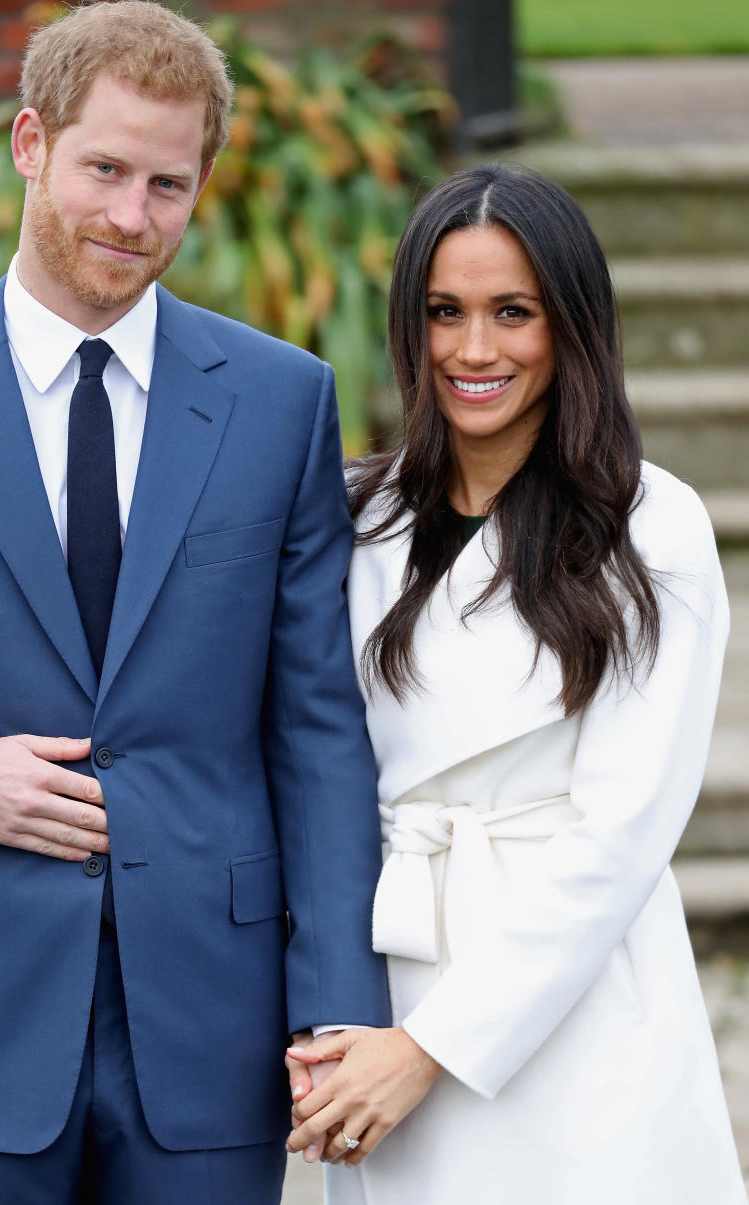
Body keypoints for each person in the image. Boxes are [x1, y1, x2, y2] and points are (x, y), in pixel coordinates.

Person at [0, 3, 391, 1201]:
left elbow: (320, 728)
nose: (132, 217)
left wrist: (338, 1012)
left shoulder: (283, 402)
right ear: (29, 143)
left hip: (213, 1028)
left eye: (168, 184)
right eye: (104, 168)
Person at [286, 164, 748, 1204]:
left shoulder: (649, 526)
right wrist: (334, 1022)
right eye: (445, 312)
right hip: (385, 981)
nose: (475, 349)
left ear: (572, 325)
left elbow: (620, 832)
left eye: (514, 313)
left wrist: (433, 1048)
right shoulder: (355, 514)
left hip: (571, 1003)